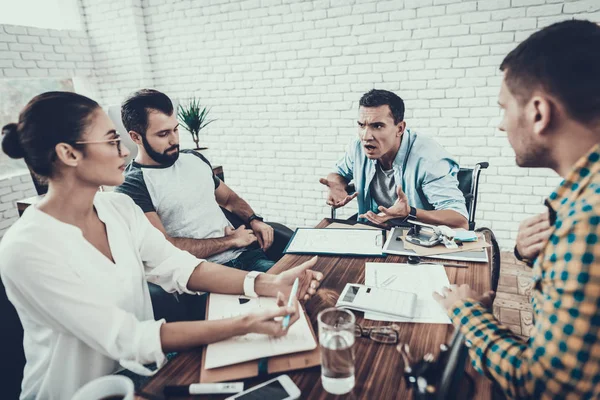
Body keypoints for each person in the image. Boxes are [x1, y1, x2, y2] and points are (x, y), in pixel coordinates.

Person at [0, 91, 323, 400]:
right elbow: (127, 338)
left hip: (145, 372)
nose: (124, 152)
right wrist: (244, 324)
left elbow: (179, 266)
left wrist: (270, 283)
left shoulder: (119, 209)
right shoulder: (27, 248)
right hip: (80, 392)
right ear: (68, 153)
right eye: (113, 141)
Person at [434, 20, 600, 399]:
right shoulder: (581, 204)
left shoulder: (589, 221)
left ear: (539, 113)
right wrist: (534, 253)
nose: (500, 125)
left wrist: (466, 313)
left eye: (504, 108)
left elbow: (539, 385)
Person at [116, 89, 276, 273]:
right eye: (163, 134)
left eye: (175, 129)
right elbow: (164, 247)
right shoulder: (132, 185)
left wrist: (255, 220)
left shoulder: (194, 158)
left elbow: (229, 199)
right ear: (136, 137)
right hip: (202, 274)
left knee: (301, 286)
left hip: (246, 256)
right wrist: (231, 241)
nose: (174, 140)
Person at [319, 89, 468, 229]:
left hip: (414, 239)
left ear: (400, 129)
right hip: (372, 231)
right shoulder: (358, 147)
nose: (366, 136)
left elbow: (460, 220)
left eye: (377, 126)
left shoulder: (428, 159)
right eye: (361, 125)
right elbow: (338, 174)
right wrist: (337, 184)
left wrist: (411, 212)